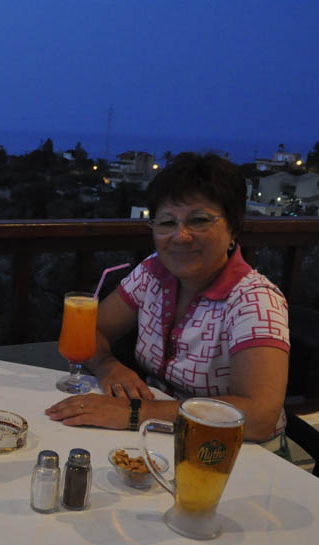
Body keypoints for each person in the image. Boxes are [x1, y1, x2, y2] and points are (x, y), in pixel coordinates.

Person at [45, 152, 290, 452]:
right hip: (162, 438)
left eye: (199, 220)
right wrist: (108, 366)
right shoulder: (153, 273)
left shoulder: (254, 300)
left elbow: (259, 416)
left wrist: (135, 412)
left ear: (233, 229)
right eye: (166, 222)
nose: (180, 236)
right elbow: (92, 331)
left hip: (237, 453)